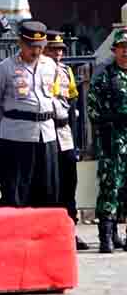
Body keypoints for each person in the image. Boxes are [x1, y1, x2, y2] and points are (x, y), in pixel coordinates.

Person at [0, 20, 61, 209]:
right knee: (16, 192)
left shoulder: (50, 65)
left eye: (39, 46)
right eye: (30, 46)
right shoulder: (5, 68)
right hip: (16, 137)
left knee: (47, 191)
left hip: (46, 135)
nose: (35, 51)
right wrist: (8, 124)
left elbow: (55, 96)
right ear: (20, 43)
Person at [44, 31, 89, 250]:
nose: (58, 54)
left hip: (64, 133)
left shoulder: (65, 72)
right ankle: (50, 234)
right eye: (53, 49)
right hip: (45, 131)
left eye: (61, 50)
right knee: (49, 186)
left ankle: (70, 231)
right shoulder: (40, 70)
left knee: (69, 184)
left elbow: (71, 102)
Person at [87, 29, 127, 253]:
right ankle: (106, 236)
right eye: (122, 49)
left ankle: (120, 234)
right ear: (115, 51)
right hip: (113, 143)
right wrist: (112, 119)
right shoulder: (105, 76)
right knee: (109, 188)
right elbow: (92, 109)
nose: (126, 53)